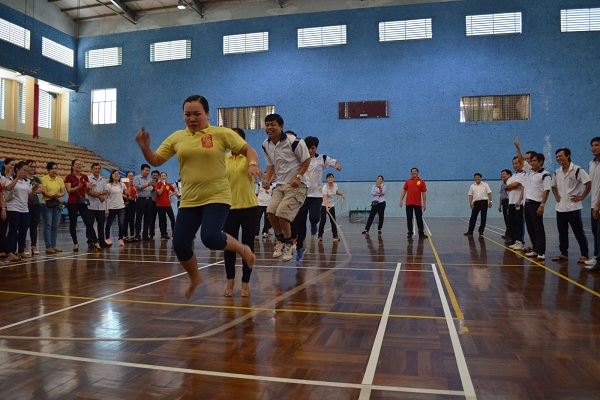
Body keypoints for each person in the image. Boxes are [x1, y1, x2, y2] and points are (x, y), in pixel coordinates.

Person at [134, 94, 262, 298]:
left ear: (207, 114)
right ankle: (195, 277)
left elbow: (249, 150)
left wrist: (252, 164)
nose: (192, 119)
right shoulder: (177, 137)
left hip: (217, 196)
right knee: (180, 244)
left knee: (210, 237)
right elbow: (156, 160)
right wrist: (145, 148)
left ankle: (242, 249)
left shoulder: (221, 133)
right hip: (190, 199)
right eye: (187, 114)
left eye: (197, 114)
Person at [262, 113, 310, 262]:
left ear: (281, 126)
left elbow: (306, 160)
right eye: (267, 125)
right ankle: (281, 240)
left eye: (272, 125)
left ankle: (289, 244)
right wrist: (267, 180)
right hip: (281, 185)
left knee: (282, 214)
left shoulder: (294, 142)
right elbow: (270, 165)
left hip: (298, 185)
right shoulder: (266, 145)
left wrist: (298, 177)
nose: (269, 128)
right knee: (270, 212)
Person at [223, 128, 259, 297]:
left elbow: (254, 159)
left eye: (236, 139)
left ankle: (245, 282)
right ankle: (230, 280)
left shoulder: (249, 157)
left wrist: (253, 166)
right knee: (228, 247)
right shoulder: (223, 158)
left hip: (250, 208)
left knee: (248, 245)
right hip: (228, 209)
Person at [293, 136, 342, 261]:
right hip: (302, 195)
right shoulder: (300, 159)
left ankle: (314, 224)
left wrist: (337, 165)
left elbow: (332, 162)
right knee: (300, 223)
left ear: (316, 148)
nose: (310, 151)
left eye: (313, 148)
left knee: (314, 217)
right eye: (308, 148)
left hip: (316, 196)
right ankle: (299, 248)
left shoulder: (322, 158)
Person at [550, 148, 591, 263]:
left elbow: (588, 183)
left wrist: (582, 196)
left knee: (578, 232)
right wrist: (556, 196)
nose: (558, 158)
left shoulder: (577, 169)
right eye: (557, 157)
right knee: (562, 232)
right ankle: (563, 253)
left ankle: (584, 254)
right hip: (560, 208)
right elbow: (553, 186)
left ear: (567, 156)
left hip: (573, 207)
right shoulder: (557, 172)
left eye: (560, 156)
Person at [515, 138, 551, 260]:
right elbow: (521, 159)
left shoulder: (545, 174)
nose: (531, 162)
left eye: (534, 161)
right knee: (530, 228)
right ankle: (535, 249)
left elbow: (547, 190)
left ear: (541, 161)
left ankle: (541, 251)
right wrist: (517, 147)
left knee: (538, 228)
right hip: (527, 204)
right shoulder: (529, 172)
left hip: (537, 204)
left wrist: (542, 205)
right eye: (531, 161)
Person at [65, 159, 101, 252]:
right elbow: (69, 190)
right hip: (72, 202)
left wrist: (88, 187)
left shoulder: (84, 176)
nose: (79, 166)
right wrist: (78, 187)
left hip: (82, 202)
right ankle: (75, 243)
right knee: (73, 223)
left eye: (80, 164)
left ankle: (96, 242)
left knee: (88, 222)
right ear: (72, 166)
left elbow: (86, 189)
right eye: (77, 164)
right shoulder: (69, 177)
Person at [5, 161, 37, 261]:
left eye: (26, 171)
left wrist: (33, 190)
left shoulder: (27, 181)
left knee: (23, 230)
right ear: (17, 169)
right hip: (13, 208)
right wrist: (17, 178)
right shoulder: (10, 179)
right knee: (13, 230)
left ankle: (21, 251)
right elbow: (8, 188)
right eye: (23, 170)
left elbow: (30, 197)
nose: (24, 172)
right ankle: (10, 252)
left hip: (24, 208)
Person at [39, 162, 65, 254]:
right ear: (48, 170)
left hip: (56, 205)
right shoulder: (43, 179)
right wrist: (56, 197)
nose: (54, 170)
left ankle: (54, 245)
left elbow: (63, 192)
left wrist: (58, 195)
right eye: (52, 169)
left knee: (55, 226)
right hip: (46, 204)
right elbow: (45, 192)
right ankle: (48, 246)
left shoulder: (60, 180)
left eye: (56, 169)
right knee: (48, 225)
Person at [87, 163, 111, 248]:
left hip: (101, 206)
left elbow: (106, 191)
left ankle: (101, 241)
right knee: (89, 225)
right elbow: (87, 191)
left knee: (101, 225)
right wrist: (98, 195)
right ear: (92, 169)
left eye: (98, 169)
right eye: (95, 168)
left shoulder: (103, 180)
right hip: (91, 205)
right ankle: (90, 241)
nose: (97, 170)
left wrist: (98, 193)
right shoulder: (88, 179)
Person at [399, 168, 428, 238]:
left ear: (417, 172)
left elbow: (424, 193)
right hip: (409, 203)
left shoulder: (421, 181)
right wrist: (401, 200)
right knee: (409, 219)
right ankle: (410, 232)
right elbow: (404, 191)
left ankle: (421, 233)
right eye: (412, 171)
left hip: (417, 203)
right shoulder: (408, 181)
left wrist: (424, 203)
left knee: (419, 218)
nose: (413, 172)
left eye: (415, 171)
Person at [506, 157, 526, 251]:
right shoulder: (513, 176)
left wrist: (512, 186)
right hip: (511, 202)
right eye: (513, 163)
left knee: (519, 222)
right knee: (512, 223)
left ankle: (520, 241)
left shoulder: (524, 174)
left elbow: (513, 185)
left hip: (519, 203)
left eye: (516, 163)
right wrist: (511, 186)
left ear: (521, 164)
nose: (514, 165)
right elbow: (507, 187)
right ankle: (515, 241)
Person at [318, 172, 345, 242]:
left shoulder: (335, 185)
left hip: (332, 206)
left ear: (333, 179)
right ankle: (320, 236)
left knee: (333, 221)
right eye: (329, 177)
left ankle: (335, 236)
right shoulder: (324, 188)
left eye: (332, 177)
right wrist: (327, 207)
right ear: (326, 179)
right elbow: (325, 198)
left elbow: (336, 192)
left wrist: (342, 194)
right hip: (324, 206)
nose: (330, 178)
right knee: (323, 221)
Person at [586, 137, 600, 271]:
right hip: (593, 204)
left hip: (598, 205)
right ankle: (596, 256)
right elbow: (591, 184)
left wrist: (597, 205)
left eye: (597, 145)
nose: (593, 147)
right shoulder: (591, 163)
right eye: (592, 145)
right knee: (595, 233)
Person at [105, 170, 127, 246]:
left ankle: (121, 239)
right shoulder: (108, 185)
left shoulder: (122, 184)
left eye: (118, 174)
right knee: (109, 224)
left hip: (121, 207)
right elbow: (106, 197)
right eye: (114, 174)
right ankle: (107, 238)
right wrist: (106, 208)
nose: (116, 175)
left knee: (121, 223)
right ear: (111, 175)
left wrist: (129, 185)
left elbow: (127, 194)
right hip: (112, 207)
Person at [133, 164, 155, 241]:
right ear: (142, 170)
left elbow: (151, 190)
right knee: (139, 217)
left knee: (148, 218)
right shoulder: (136, 178)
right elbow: (138, 187)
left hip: (149, 199)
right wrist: (148, 184)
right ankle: (137, 235)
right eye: (146, 170)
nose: (147, 172)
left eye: (148, 171)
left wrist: (154, 187)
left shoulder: (149, 179)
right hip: (141, 199)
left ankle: (145, 235)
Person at [25, 159, 42, 256]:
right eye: (31, 166)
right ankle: (23, 247)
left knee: (34, 226)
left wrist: (33, 191)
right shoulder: (24, 178)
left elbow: (41, 189)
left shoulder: (36, 179)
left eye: (35, 167)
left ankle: (34, 246)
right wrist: (34, 190)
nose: (33, 168)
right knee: (24, 226)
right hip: (26, 204)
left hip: (36, 204)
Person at [0, 158, 16, 259]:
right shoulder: (1, 176)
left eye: (14, 165)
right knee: (2, 230)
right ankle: (5, 251)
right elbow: (2, 188)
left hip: (11, 205)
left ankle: (9, 250)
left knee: (7, 230)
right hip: (3, 204)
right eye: (11, 164)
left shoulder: (15, 177)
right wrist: (7, 177)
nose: (12, 167)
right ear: (5, 165)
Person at [155, 172, 177, 240]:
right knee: (162, 220)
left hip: (167, 204)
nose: (163, 177)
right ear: (160, 177)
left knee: (172, 218)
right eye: (162, 176)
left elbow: (175, 191)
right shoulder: (158, 184)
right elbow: (159, 192)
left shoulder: (169, 185)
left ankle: (174, 233)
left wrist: (170, 195)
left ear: (166, 177)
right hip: (160, 205)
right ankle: (163, 234)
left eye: (164, 176)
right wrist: (163, 185)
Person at [256, 173, 276, 238]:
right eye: (265, 175)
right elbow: (256, 194)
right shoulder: (259, 184)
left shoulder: (274, 185)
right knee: (257, 218)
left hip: (268, 204)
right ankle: (256, 233)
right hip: (259, 204)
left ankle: (265, 232)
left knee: (267, 219)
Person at [499, 169, 512, 243]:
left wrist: (509, 206)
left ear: (509, 175)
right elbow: (501, 195)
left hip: (509, 201)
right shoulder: (503, 184)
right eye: (501, 174)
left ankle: (511, 236)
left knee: (509, 219)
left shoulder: (511, 183)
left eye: (504, 174)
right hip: (504, 202)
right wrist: (500, 205)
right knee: (506, 219)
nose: (502, 175)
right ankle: (508, 233)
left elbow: (511, 195)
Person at [123, 171, 137, 241]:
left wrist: (135, 195)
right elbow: (121, 193)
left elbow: (134, 193)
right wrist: (126, 197)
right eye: (129, 176)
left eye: (132, 176)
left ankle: (132, 235)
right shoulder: (123, 184)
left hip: (133, 202)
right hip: (126, 202)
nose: (131, 177)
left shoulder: (133, 185)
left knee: (132, 218)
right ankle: (125, 236)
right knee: (126, 219)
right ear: (126, 177)